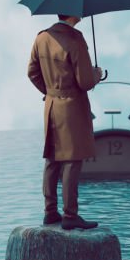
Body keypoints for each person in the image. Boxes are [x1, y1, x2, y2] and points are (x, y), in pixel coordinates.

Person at [27, 14, 104, 230]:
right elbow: (85, 82)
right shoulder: (75, 39)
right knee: (72, 159)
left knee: (52, 159)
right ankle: (70, 215)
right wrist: (96, 74)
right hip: (72, 107)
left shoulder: (41, 37)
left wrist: (50, 91)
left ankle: (50, 212)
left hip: (51, 106)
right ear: (73, 13)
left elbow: (31, 72)